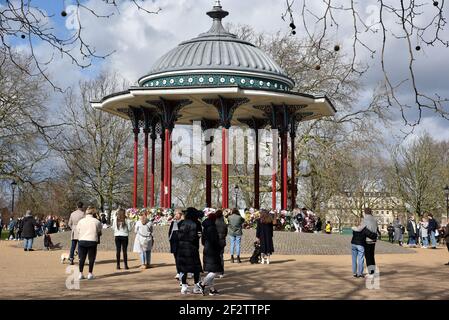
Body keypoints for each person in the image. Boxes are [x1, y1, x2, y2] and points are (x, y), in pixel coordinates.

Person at [176, 207, 203, 294]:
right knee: (196, 269)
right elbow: (198, 236)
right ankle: (196, 287)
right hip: (192, 248)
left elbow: (178, 235)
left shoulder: (181, 223)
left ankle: (183, 287)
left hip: (181, 248)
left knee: (183, 268)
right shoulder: (197, 223)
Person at [197, 212, 224, 296]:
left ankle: (212, 290)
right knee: (216, 271)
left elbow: (203, 241)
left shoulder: (205, 227)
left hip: (207, 249)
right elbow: (215, 241)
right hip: (213, 251)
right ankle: (202, 283)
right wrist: (220, 246)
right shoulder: (212, 228)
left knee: (211, 271)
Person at [76, 207, 102, 280]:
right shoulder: (96, 221)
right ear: (93, 213)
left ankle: (80, 273)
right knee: (91, 258)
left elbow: (78, 230)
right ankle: (90, 273)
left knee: (81, 258)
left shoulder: (81, 221)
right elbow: (99, 231)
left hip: (82, 240)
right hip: (92, 241)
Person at [353, 208, 378, 275]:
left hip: (367, 239)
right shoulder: (375, 219)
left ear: (365, 212)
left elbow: (360, 229)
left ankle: (371, 272)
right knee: (372, 255)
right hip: (374, 239)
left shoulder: (365, 220)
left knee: (368, 256)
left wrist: (354, 228)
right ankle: (373, 270)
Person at [168, 208, 182, 279]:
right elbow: (170, 232)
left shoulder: (182, 222)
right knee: (176, 258)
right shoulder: (173, 222)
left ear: (180, 215)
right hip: (173, 243)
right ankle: (178, 272)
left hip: (180, 243)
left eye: (177, 214)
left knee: (180, 258)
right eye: (175, 214)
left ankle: (181, 272)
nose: (175, 215)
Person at [214, 209, 227, 275]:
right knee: (221, 256)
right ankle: (221, 271)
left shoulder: (214, 223)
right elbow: (226, 233)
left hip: (215, 242)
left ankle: (215, 271)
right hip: (222, 241)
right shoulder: (224, 224)